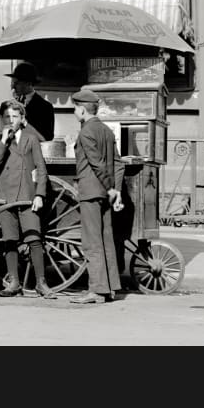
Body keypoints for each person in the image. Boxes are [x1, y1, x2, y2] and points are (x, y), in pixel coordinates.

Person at [0, 100, 56, 298]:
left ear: (23, 119)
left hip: (27, 196)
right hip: (4, 197)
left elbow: (41, 169)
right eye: (7, 117)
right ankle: (14, 282)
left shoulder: (30, 139)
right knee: (9, 240)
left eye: (15, 117)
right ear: (1, 119)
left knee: (34, 239)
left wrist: (39, 195)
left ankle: (41, 283)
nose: (11, 120)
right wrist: (2, 141)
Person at [69, 89, 125, 304]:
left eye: (75, 108)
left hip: (91, 192)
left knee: (92, 242)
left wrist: (111, 188)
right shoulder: (107, 131)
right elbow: (118, 164)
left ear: (82, 109)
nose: (74, 111)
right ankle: (110, 288)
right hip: (105, 194)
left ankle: (96, 290)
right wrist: (116, 190)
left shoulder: (85, 133)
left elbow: (96, 164)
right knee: (106, 240)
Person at [5, 61, 55, 141]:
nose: (13, 86)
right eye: (13, 82)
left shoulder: (45, 107)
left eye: (17, 83)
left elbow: (47, 137)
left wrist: (25, 124)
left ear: (28, 83)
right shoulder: (14, 104)